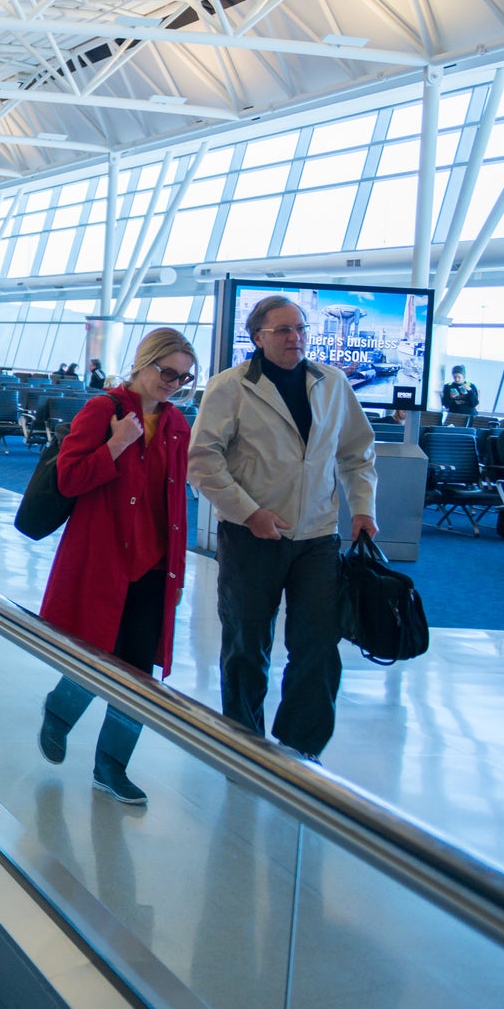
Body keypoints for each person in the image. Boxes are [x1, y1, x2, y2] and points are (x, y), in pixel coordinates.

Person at [189, 296, 377, 762]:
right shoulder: (229, 387)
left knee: (318, 647)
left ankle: (299, 752)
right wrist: (250, 512)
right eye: (283, 331)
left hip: (317, 536)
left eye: (300, 329)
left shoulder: (332, 384)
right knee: (247, 646)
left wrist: (362, 508)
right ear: (258, 337)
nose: (296, 338)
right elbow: (203, 459)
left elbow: (357, 452)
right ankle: (243, 745)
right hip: (252, 535)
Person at [37, 328, 198, 807]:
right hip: (105, 559)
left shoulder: (177, 427)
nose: (173, 383)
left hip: (153, 566)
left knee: (138, 673)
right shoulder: (103, 412)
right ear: (143, 364)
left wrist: (178, 574)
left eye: (183, 378)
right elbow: (67, 478)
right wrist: (115, 446)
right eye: (167, 372)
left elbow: (174, 507)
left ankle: (111, 765)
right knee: (98, 654)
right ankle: (61, 711)